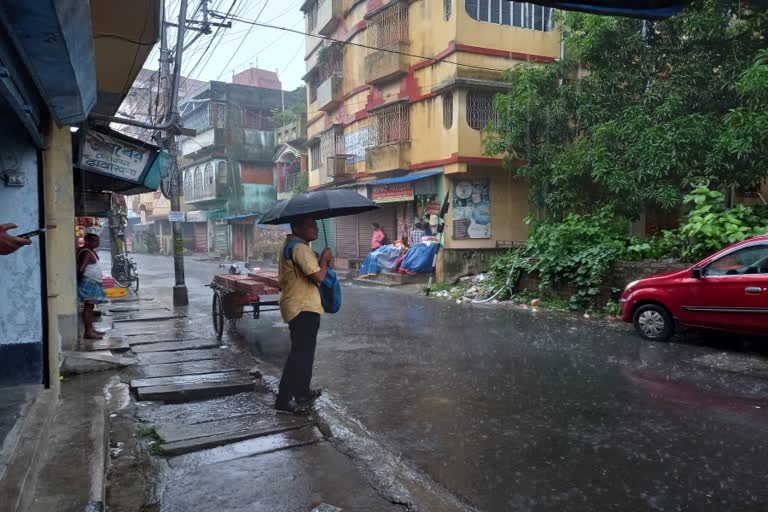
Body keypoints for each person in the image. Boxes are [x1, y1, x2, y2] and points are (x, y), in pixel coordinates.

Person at [276, 216, 332, 415]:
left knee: (306, 353)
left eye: (316, 225)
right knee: (299, 355)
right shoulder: (299, 247)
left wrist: (321, 261)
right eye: (311, 225)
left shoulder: (293, 245)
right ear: (297, 227)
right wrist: (324, 261)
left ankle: (302, 392)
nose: (316, 229)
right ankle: (283, 399)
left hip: (301, 306)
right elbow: (318, 277)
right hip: (302, 308)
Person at [77, 234, 107, 340]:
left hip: (92, 283)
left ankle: (91, 329)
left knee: (90, 307)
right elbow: (81, 269)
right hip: (89, 283)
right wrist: (81, 281)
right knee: (88, 308)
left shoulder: (90, 251)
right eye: (94, 240)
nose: (97, 243)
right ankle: (88, 332)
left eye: (98, 240)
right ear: (87, 241)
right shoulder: (86, 253)